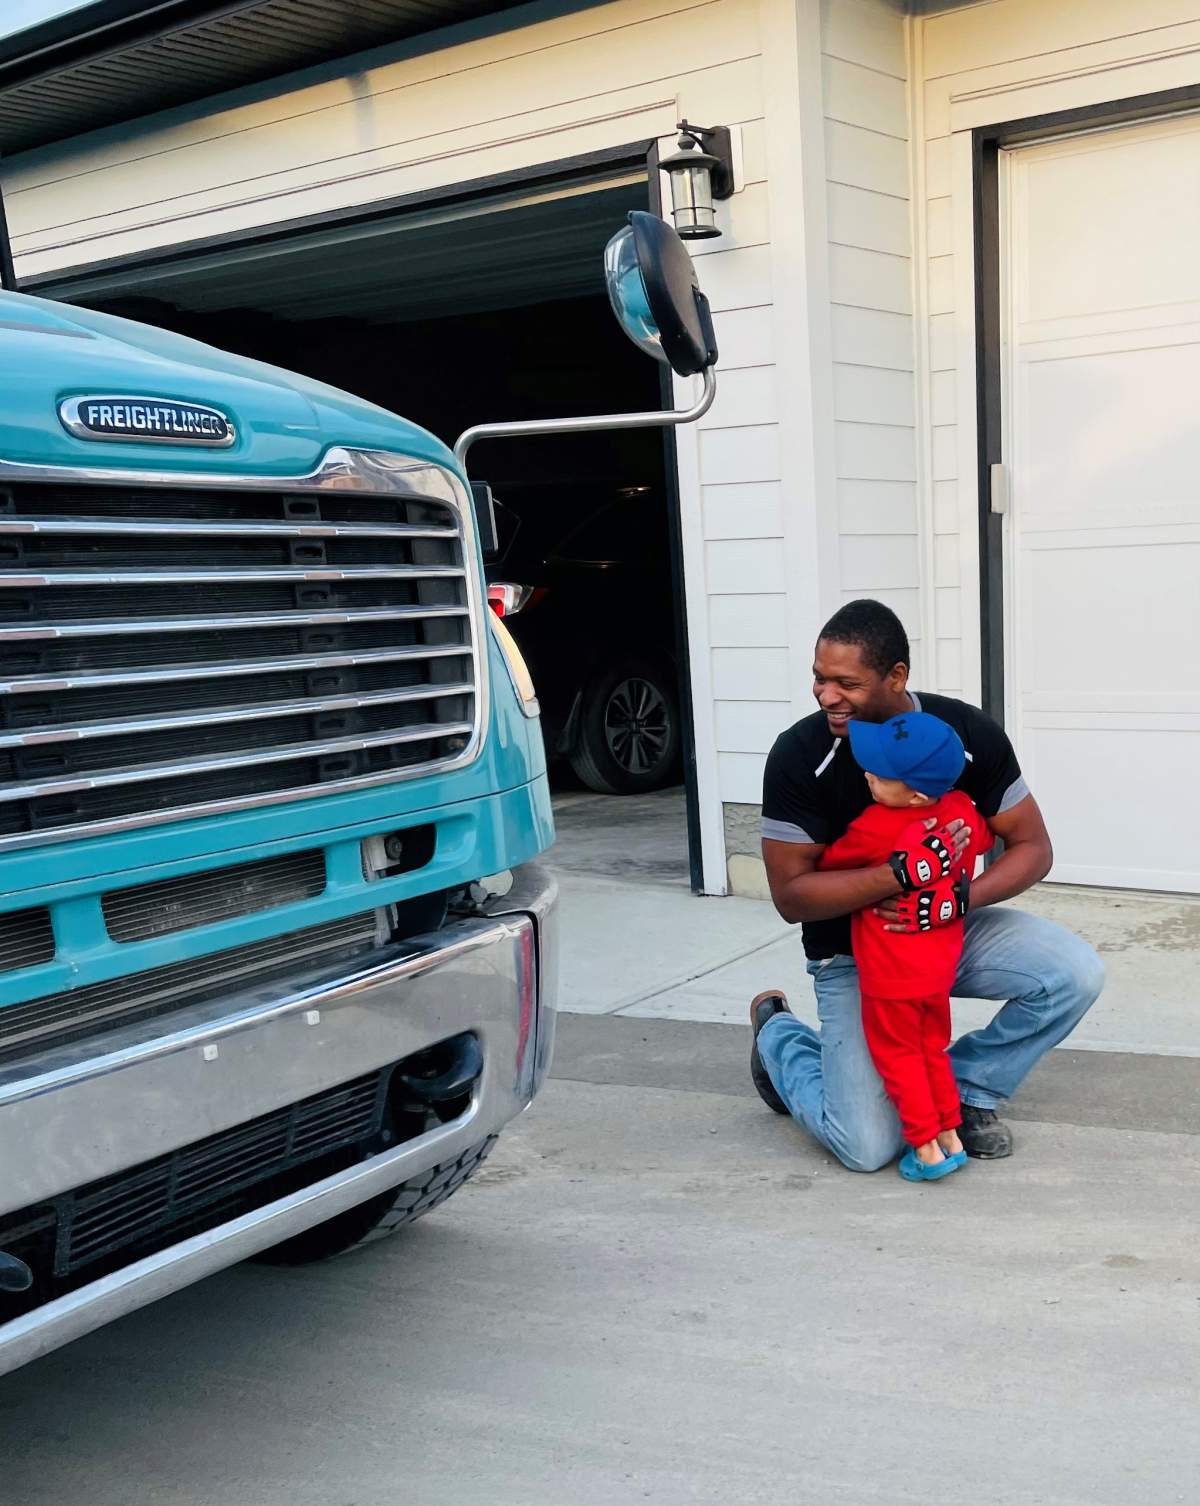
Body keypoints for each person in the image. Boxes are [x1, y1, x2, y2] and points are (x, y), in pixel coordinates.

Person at [749, 598, 1105, 1170]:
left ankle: (965, 1091)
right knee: (866, 1147)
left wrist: (958, 900)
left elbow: (1033, 848)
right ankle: (781, 1039)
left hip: (944, 933)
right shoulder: (799, 755)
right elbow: (793, 898)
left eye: (847, 682)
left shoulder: (961, 735)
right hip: (854, 956)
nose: (826, 695)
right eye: (818, 679)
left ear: (896, 677)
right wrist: (896, 875)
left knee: (1074, 973)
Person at [817, 712, 990, 1181]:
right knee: (932, 1049)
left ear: (913, 793)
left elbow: (829, 866)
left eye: (878, 772)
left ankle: (926, 1148)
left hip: (889, 973)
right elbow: (983, 836)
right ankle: (950, 1133)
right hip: (938, 968)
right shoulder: (959, 809)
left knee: (898, 1058)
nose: (867, 772)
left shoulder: (876, 826)